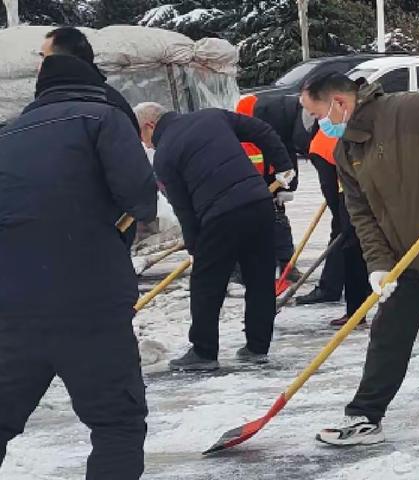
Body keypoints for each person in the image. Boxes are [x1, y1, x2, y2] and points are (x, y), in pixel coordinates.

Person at [300, 72, 419, 449]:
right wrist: (378, 265)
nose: (319, 123)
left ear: (339, 102)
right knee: (388, 336)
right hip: (403, 258)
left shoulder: (412, 108)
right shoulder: (345, 151)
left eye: (318, 114)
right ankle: (366, 416)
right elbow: (361, 215)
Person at [0, 54, 157, 477]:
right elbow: (140, 195)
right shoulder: (103, 118)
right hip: (90, 302)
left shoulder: (9, 135)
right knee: (116, 423)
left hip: (11, 308)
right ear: (94, 83)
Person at [141, 103, 295, 371]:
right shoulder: (212, 116)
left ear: (150, 126)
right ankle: (258, 346)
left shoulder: (164, 155)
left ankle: (203, 351)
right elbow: (263, 130)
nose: (147, 145)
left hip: (220, 214)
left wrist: (195, 247)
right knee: (259, 277)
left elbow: (184, 209)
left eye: (142, 137)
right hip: (258, 201)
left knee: (206, 284)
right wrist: (283, 167)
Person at [39, 26, 140, 246]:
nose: (39, 67)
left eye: (44, 57)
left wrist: (115, 228)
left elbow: (132, 176)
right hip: (65, 226)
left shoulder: (106, 105)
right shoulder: (53, 104)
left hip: (100, 228)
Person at [297, 128, 371, 327]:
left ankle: (355, 312)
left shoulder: (319, 149)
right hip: (369, 186)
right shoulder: (350, 128)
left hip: (355, 193)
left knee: (352, 249)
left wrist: (342, 223)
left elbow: (331, 193)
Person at [236, 94, 311, 281]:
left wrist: (285, 187)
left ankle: (287, 265)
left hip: (268, 184)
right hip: (246, 191)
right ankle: (237, 270)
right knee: (243, 227)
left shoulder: (277, 126)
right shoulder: (243, 141)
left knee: (278, 220)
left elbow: (286, 153)